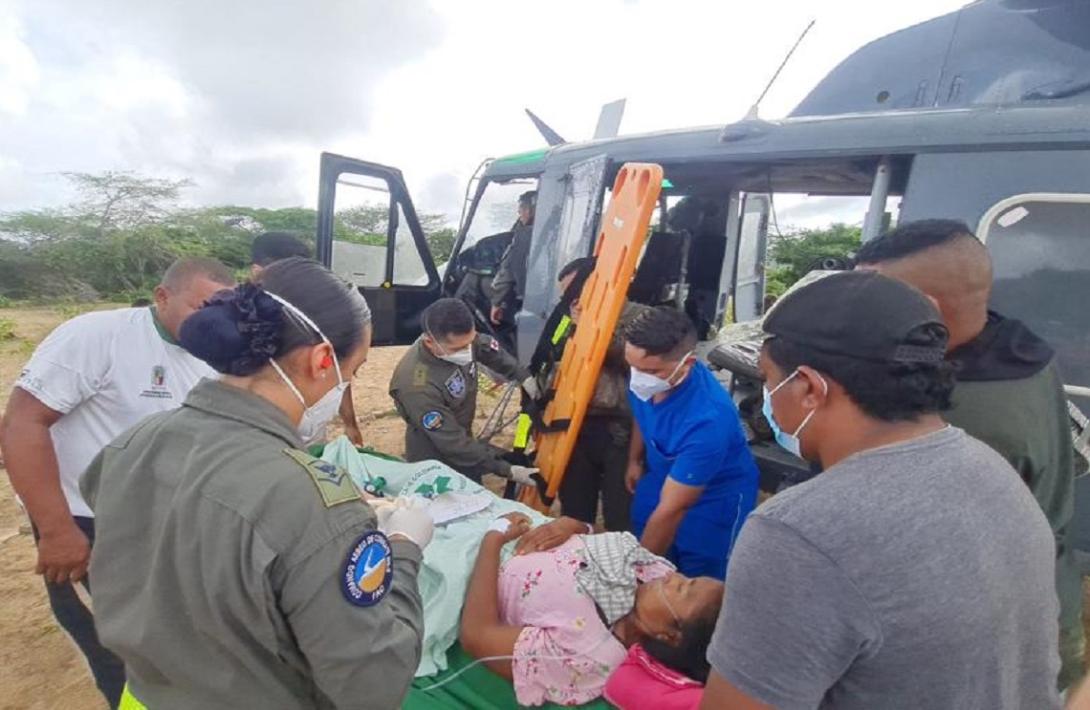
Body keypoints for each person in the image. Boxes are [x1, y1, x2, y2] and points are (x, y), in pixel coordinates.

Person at [80, 257, 431, 709]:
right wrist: (402, 548)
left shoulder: (133, 444)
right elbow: (373, 685)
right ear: (323, 360)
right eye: (355, 369)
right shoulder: (315, 501)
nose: (346, 384)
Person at [701, 271, 1061, 710]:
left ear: (810, 388)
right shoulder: (989, 468)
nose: (767, 398)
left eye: (767, 378)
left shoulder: (799, 533)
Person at [855, 219, 1083, 690]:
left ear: (926, 309)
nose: (858, 315)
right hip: (1045, 595)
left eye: (871, 302)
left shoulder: (961, 414)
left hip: (999, 636)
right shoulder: (1015, 350)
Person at [0, 256, 234, 708]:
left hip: (165, 522)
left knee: (169, 642)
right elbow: (23, 424)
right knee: (114, 648)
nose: (211, 321)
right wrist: (56, 530)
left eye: (221, 310)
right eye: (200, 307)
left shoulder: (212, 354)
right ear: (162, 297)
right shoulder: (97, 337)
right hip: (88, 525)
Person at [460, 513, 723, 707]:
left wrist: (492, 540)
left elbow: (477, 635)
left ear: (669, 636)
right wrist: (578, 526)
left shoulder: (587, 655)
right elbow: (607, 539)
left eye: (681, 590)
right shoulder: (653, 572)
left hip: (473, 560)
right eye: (689, 578)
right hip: (516, 521)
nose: (672, 577)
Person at [623, 306, 758, 579]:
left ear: (688, 364)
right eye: (632, 367)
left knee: (697, 579)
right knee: (644, 533)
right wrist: (634, 459)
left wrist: (635, 580)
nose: (638, 377)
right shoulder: (648, 377)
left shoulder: (708, 420)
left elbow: (673, 509)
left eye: (650, 370)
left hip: (714, 497)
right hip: (662, 477)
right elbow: (642, 413)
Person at [533, 257, 642, 531]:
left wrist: (592, 331)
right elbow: (551, 361)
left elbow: (637, 363)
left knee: (620, 517)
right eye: (567, 295)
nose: (573, 299)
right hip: (573, 429)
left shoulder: (642, 318)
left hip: (620, 432)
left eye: (576, 290)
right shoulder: (569, 317)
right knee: (575, 515)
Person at [389, 297, 539, 485]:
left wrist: (522, 375)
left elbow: (487, 349)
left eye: (470, 342)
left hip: (464, 440)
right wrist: (507, 470)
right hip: (436, 458)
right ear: (429, 342)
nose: (468, 350)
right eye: (459, 348)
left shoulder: (459, 341)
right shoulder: (417, 386)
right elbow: (452, 443)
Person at [250, 232, 363, 446]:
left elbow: (340, 374)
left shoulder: (313, 314)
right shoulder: (243, 328)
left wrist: (350, 424)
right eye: (288, 274)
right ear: (258, 273)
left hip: (309, 442)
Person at [490, 190, 536, 327]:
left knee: (472, 282)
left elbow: (508, 270)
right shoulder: (554, 229)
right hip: (543, 294)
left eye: (522, 208)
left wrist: (496, 303)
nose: (519, 212)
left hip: (529, 299)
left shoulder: (525, 235)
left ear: (532, 210)